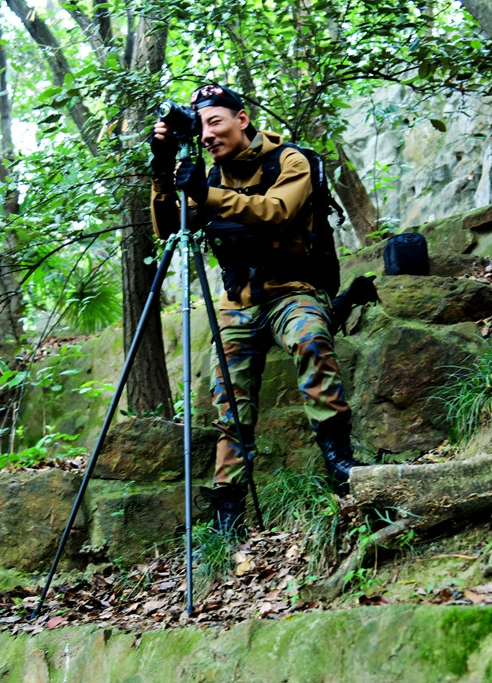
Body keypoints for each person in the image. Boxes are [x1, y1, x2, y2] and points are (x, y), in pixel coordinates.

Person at [149, 84, 365, 536]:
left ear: (241, 119)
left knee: (310, 340)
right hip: (238, 304)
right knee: (228, 402)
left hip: (292, 291)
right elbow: (169, 227)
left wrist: (207, 198)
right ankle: (229, 512)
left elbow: (278, 211)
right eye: (201, 127)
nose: (207, 135)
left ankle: (340, 465)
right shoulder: (205, 178)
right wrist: (163, 169)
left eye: (215, 122)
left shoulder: (289, 160)